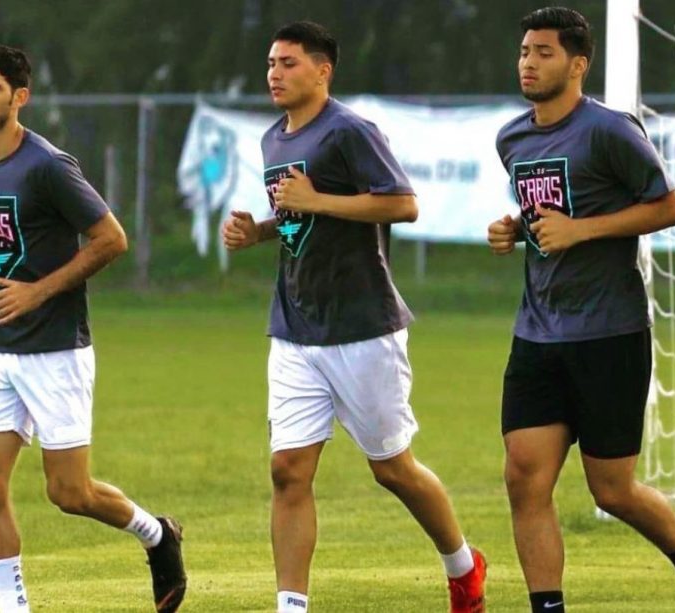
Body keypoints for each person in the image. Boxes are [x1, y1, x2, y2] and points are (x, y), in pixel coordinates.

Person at [222, 21, 486, 613]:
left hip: (363, 327)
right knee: (288, 471)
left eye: (288, 63)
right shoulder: (273, 139)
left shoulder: (350, 131)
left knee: (393, 469)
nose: (274, 73)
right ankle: (292, 606)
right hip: (293, 329)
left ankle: (463, 566)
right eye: (270, 63)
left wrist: (317, 199)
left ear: (323, 70)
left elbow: (403, 203)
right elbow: (299, 221)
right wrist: (259, 231)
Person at [0, 44, 186, 613]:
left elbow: (112, 239)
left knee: (70, 493)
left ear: (20, 97)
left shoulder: (48, 164)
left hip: (55, 350)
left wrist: (39, 291)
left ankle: (157, 534)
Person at [488, 7, 675, 613]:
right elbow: (546, 216)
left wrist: (580, 232)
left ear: (578, 64)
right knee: (523, 478)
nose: (528, 63)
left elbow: (670, 208)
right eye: (524, 52)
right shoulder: (511, 138)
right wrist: (514, 229)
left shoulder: (609, 130)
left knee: (612, 490)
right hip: (536, 332)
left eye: (544, 53)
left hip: (609, 332)